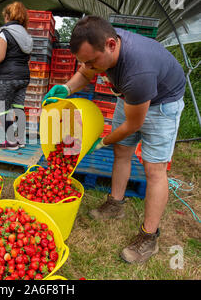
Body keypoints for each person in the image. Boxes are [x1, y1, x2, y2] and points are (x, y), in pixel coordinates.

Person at [43, 16, 186, 264]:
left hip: (162, 105)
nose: (88, 66)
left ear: (111, 44)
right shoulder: (101, 40)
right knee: (122, 152)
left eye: (92, 61)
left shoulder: (137, 70)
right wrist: (67, 88)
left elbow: (134, 125)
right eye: (84, 61)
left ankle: (149, 238)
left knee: (154, 169)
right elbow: (85, 73)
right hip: (129, 97)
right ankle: (115, 204)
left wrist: (104, 141)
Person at [0, 1, 33, 150]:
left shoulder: (5, 32)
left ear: (8, 16)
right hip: (24, 77)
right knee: (18, 108)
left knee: (2, 108)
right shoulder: (27, 35)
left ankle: (10, 141)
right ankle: (21, 139)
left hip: (8, 77)